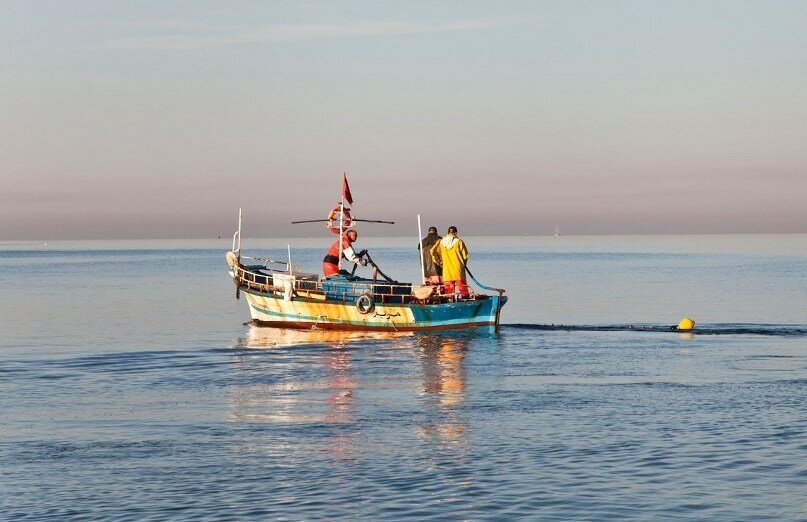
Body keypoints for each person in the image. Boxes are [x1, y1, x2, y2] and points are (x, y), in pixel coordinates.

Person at [430, 226, 469, 297]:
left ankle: (449, 300)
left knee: (448, 291)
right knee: (463, 289)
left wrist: (439, 262)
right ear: (456, 233)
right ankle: (466, 299)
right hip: (458, 269)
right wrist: (463, 264)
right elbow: (465, 256)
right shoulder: (459, 242)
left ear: (448, 233)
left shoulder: (441, 242)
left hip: (447, 270)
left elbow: (432, 251)